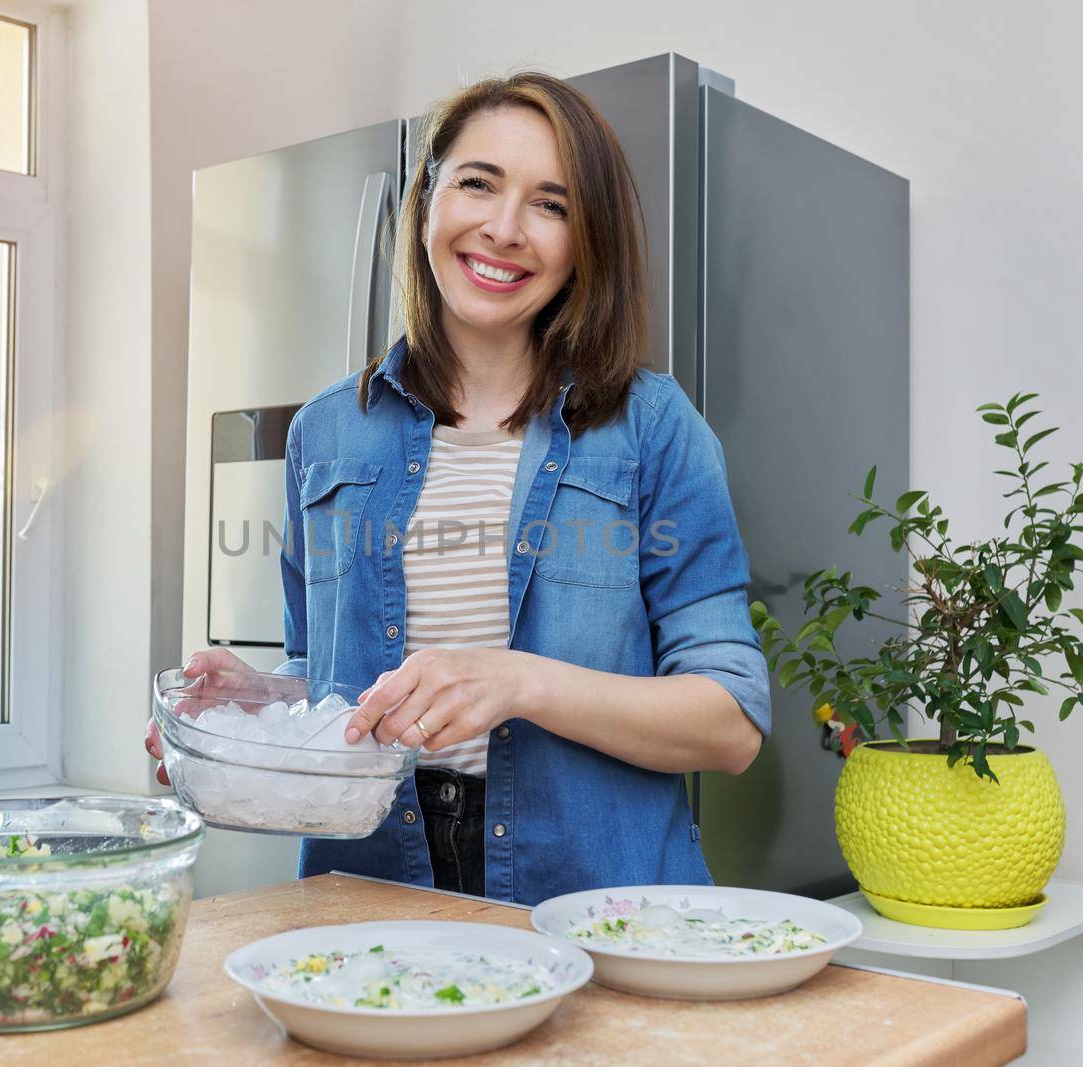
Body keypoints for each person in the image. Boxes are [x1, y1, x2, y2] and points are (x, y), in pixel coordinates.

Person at [146, 71, 770, 906]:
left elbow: (731, 721)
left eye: (551, 204)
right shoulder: (326, 431)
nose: (504, 229)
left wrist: (521, 682)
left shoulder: (652, 427)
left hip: (604, 904)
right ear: (427, 200)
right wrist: (261, 704)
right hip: (368, 891)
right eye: (478, 183)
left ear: (588, 242)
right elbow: (333, 682)